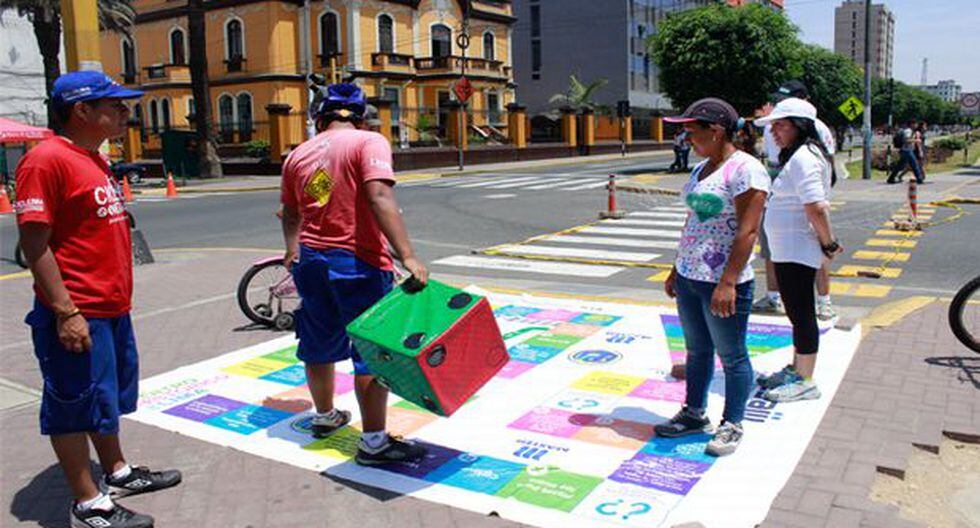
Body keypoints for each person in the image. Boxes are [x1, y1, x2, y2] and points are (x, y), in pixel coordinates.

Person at [15, 71, 181, 528]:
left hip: (110, 309)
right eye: (115, 105)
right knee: (72, 405)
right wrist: (66, 313)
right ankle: (88, 503)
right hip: (76, 312)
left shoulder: (93, 158)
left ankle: (117, 471)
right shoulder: (46, 160)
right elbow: (34, 244)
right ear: (81, 111)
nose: (125, 112)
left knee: (103, 400)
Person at [280, 83, 429, 466]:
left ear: (319, 119)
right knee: (369, 351)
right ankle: (374, 443)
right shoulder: (368, 142)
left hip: (311, 261)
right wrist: (408, 256)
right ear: (360, 117)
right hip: (357, 262)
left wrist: (292, 250)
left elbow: (292, 213)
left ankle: (325, 416)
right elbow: (379, 196)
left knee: (317, 341)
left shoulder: (298, 154)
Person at [655, 98, 770, 457]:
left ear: (716, 131)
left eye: (692, 131)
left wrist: (728, 282)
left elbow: (748, 232)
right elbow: (693, 222)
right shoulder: (701, 169)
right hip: (691, 276)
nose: (686, 138)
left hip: (721, 281)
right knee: (697, 350)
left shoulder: (745, 171)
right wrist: (677, 267)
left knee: (732, 355)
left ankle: (732, 423)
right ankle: (693, 413)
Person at [755, 98, 844, 402]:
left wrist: (828, 242)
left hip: (797, 248)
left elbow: (816, 207)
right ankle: (797, 369)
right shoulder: (798, 155)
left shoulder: (806, 156)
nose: (774, 132)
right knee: (796, 313)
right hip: (787, 249)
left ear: (799, 126)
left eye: (780, 125)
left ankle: (805, 379)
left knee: (802, 313)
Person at [755, 80, 838, 321]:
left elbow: (823, 174)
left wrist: (828, 239)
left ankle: (823, 301)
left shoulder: (814, 133)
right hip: (779, 184)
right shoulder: (775, 125)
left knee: (815, 252)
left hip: (801, 191)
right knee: (772, 250)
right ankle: (774, 297)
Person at [887, 120, 924, 184]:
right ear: (912, 124)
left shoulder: (909, 131)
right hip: (907, 150)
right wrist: (916, 140)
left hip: (906, 150)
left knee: (900, 166)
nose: (916, 125)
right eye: (915, 124)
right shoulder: (908, 131)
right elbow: (906, 140)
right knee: (914, 165)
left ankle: (891, 178)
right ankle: (919, 179)